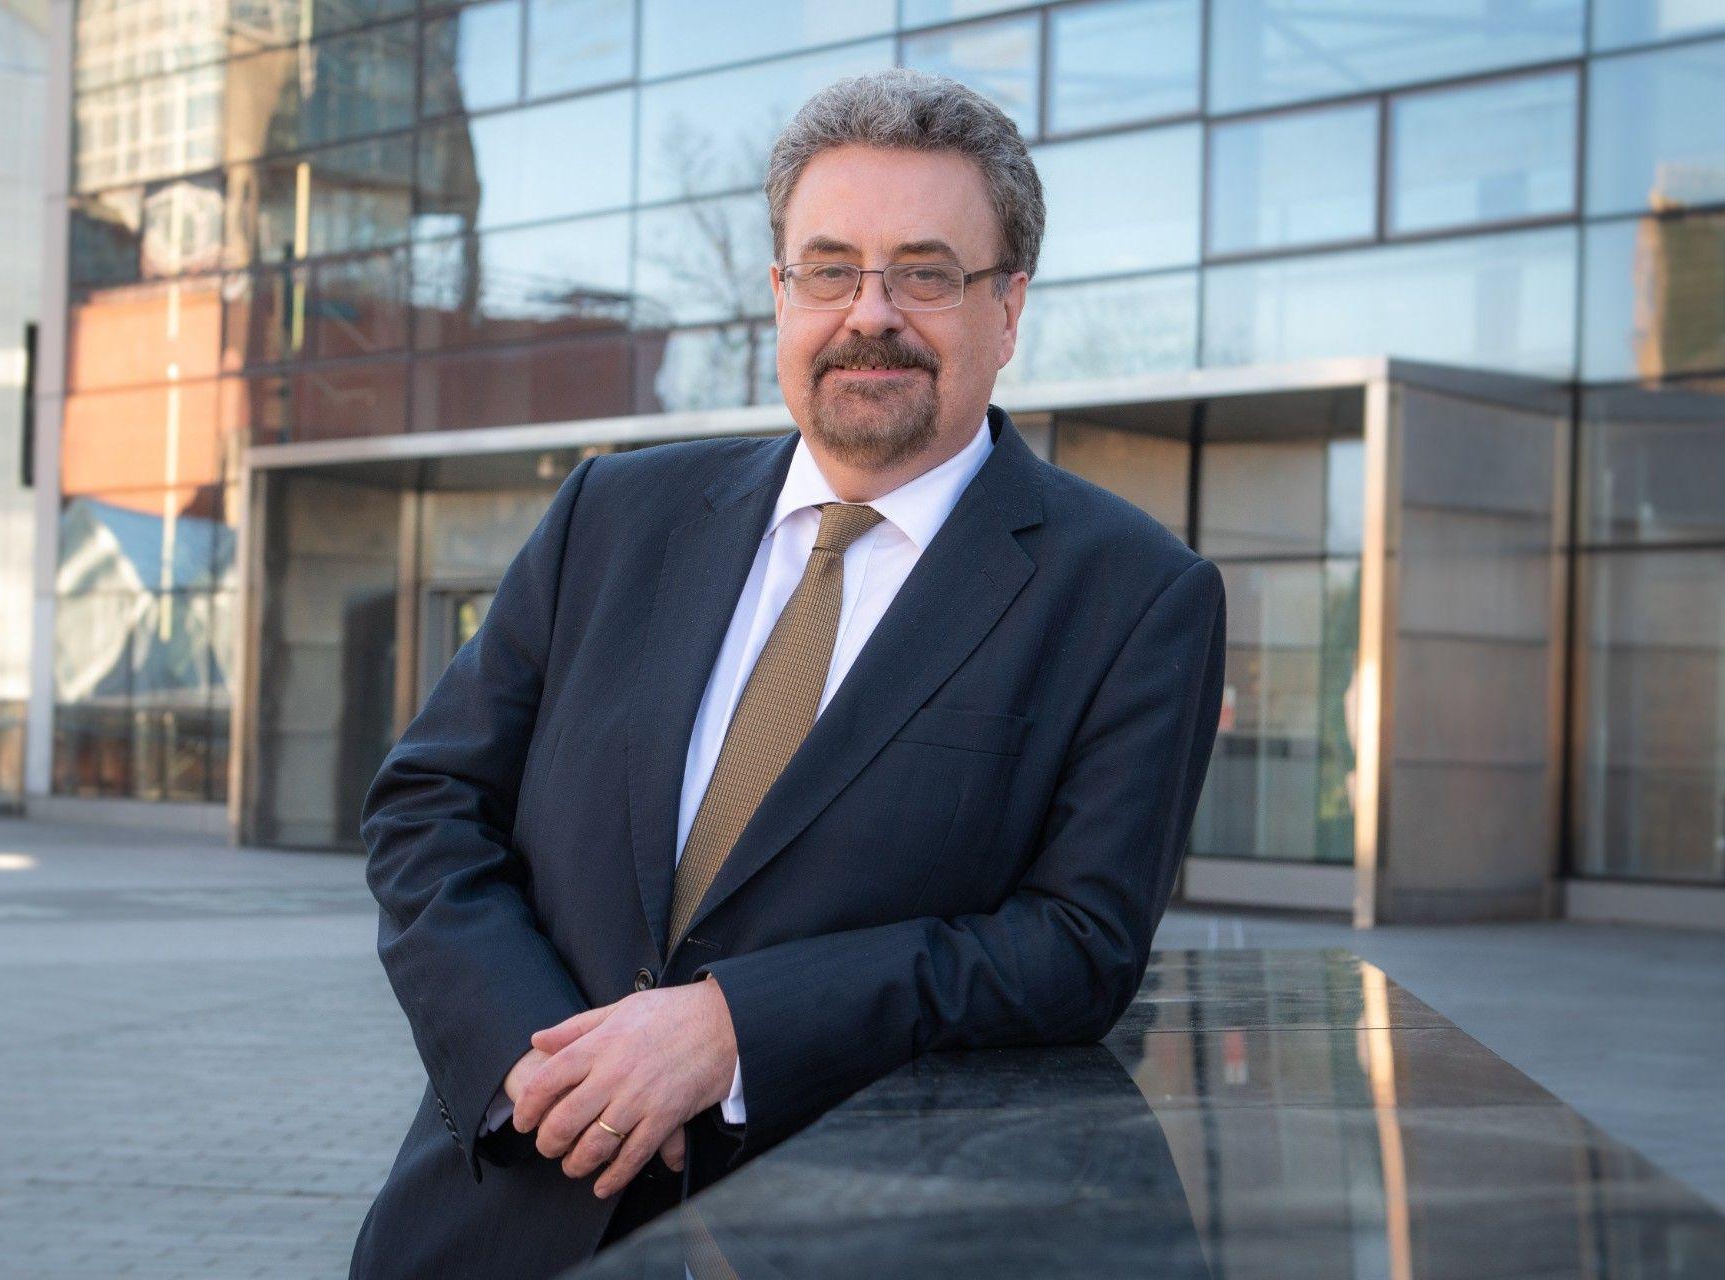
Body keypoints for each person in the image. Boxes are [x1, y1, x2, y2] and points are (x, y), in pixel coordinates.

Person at [349, 68, 1227, 1280]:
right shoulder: (613, 512)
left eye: (926, 271)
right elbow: (430, 804)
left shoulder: (1133, 596)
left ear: (1009, 307)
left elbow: (1077, 944)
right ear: (779, 293)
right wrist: (528, 1061)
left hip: (846, 1232)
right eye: (830, 268)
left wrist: (732, 1026)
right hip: (504, 1214)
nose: (871, 313)